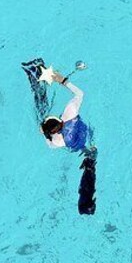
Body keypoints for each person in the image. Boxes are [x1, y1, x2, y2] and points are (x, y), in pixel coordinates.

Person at [24, 59, 96, 214]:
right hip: (85, 140)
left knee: (40, 108)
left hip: (82, 147)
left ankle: (34, 77)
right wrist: (62, 80)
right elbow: (80, 93)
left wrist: (44, 134)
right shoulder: (70, 112)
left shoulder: (57, 141)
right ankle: (37, 73)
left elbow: (49, 144)